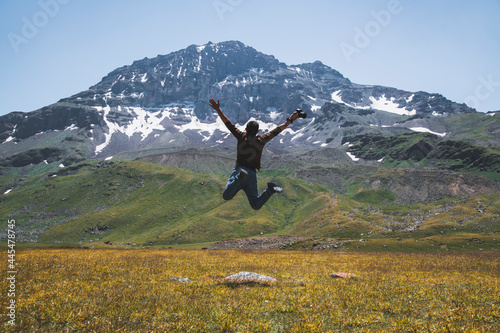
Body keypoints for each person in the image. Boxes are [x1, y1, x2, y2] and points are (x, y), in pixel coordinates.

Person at [209, 98, 300, 210]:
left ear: (246, 129)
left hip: (240, 169)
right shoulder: (261, 140)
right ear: (257, 131)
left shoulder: (241, 136)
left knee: (227, 196)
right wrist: (290, 120)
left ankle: (239, 178)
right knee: (255, 205)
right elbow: (277, 130)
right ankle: (269, 190)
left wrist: (218, 110)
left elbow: (227, 123)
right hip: (251, 174)